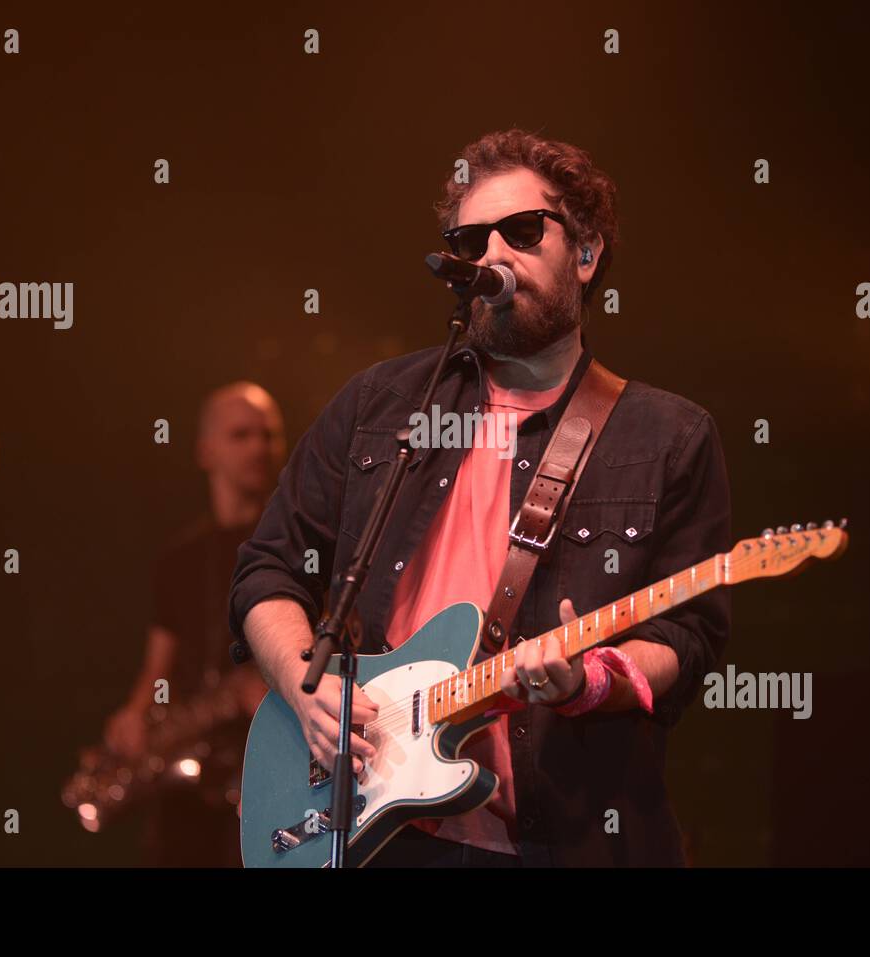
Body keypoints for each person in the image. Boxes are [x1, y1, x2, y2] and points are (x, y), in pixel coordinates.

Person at [230, 129, 731, 867]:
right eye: (471, 239)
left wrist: (589, 680)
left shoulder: (667, 437)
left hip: (560, 840)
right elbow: (267, 569)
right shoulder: (380, 404)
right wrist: (306, 687)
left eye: (523, 231)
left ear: (587, 254)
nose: (492, 254)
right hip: (375, 824)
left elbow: (688, 639)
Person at [103, 382, 282, 866]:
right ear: (205, 451)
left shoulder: (298, 542)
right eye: (241, 435)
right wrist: (134, 714)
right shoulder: (179, 558)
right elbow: (156, 666)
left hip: (267, 761)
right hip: (192, 774)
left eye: (268, 435)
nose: (258, 447)